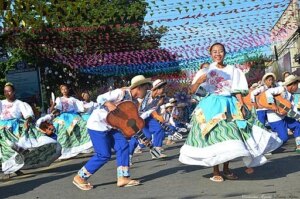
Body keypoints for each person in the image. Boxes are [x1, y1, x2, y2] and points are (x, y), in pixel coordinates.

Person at [179, 43, 282, 182]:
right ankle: (215, 170)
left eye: (220, 51)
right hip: (211, 106)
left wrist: (241, 104)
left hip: (229, 104)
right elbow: (192, 91)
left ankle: (226, 169)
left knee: (231, 136)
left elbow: (237, 90)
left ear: (225, 53)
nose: (218, 54)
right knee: (215, 136)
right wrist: (198, 81)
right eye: (214, 52)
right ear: (211, 54)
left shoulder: (233, 70)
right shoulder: (206, 70)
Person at [73, 75, 152, 190]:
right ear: (138, 87)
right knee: (104, 155)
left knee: (123, 145)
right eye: (146, 88)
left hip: (111, 127)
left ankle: (123, 178)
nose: (147, 91)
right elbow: (100, 98)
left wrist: (142, 137)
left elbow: (131, 122)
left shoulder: (134, 102)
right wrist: (108, 104)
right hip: (97, 125)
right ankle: (79, 177)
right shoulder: (121, 93)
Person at [0, 82, 61, 177]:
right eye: (5, 91)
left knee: (17, 148)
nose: (7, 93)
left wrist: (27, 121)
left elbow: (28, 115)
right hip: (3, 129)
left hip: (16, 128)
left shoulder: (19, 103)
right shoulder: (1, 103)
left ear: (14, 92)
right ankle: (10, 168)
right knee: (6, 148)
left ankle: (16, 168)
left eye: (9, 91)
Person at [52, 84, 93, 159]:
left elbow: (80, 106)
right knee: (63, 131)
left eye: (65, 89)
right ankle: (65, 151)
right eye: (62, 89)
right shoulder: (59, 99)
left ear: (68, 90)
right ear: (61, 91)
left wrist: (84, 106)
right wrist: (53, 107)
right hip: (63, 116)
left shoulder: (73, 99)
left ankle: (81, 147)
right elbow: (57, 108)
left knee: (82, 126)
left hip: (73, 115)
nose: (64, 91)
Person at [265, 75, 300, 152]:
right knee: (284, 137)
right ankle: (267, 148)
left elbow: (292, 110)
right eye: (297, 85)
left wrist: (298, 117)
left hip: (283, 117)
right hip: (275, 118)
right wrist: (272, 104)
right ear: (292, 85)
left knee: (297, 125)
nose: (297, 88)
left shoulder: (291, 96)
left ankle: (299, 146)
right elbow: (268, 92)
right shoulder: (281, 89)